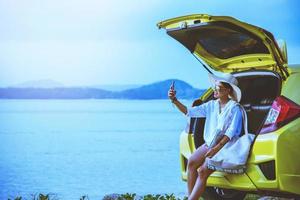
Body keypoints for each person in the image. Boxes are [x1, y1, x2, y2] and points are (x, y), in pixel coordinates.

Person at [168, 73, 244, 200]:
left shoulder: (235, 108)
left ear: (228, 90)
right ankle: (191, 197)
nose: (215, 90)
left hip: (226, 146)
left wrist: (216, 149)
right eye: (215, 87)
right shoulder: (211, 105)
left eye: (219, 88)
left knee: (202, 171)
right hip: (211, 144)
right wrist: (174, 100)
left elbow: (231, 133)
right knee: (192, 162)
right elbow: (189, 112)